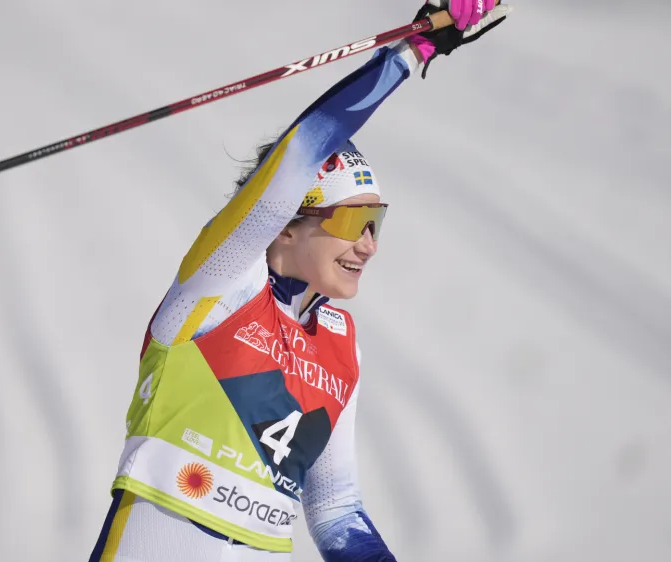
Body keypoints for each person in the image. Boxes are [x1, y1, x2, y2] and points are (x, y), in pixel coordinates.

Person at [90, 2, 512, 560]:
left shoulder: (339, 344)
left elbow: (336, 511)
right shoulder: (220, 285)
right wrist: (412, 53)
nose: (369, 243)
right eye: (349, 221)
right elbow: (298, 155)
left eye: (375, 221)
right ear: (285, 227)